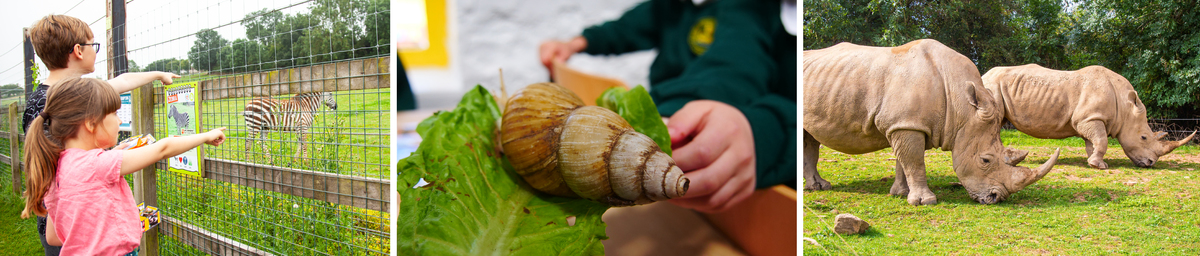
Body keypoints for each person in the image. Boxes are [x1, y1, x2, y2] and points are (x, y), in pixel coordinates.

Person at [539, 0, 797, 213]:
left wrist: (761, 132)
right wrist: (577, 43)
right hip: (689, 151)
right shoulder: (676, 6)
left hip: (769, 188)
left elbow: (732, 68)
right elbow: (628, 27)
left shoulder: (747, 11)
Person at [23, 14, 180, 255]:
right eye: (92, 45)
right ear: (78, 50)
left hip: (67, 222)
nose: (95, 51)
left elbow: (122, 81)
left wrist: (158, 75)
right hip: (76, 228)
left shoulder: (60, 97)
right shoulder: (64, 101)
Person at [20, 78, 226, 255]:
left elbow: (54, 237)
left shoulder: (54, 170)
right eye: (115, 114)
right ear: (91, 123)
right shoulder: (99, 164)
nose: (120, 121)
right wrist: (206, 136)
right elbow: (163, 149)